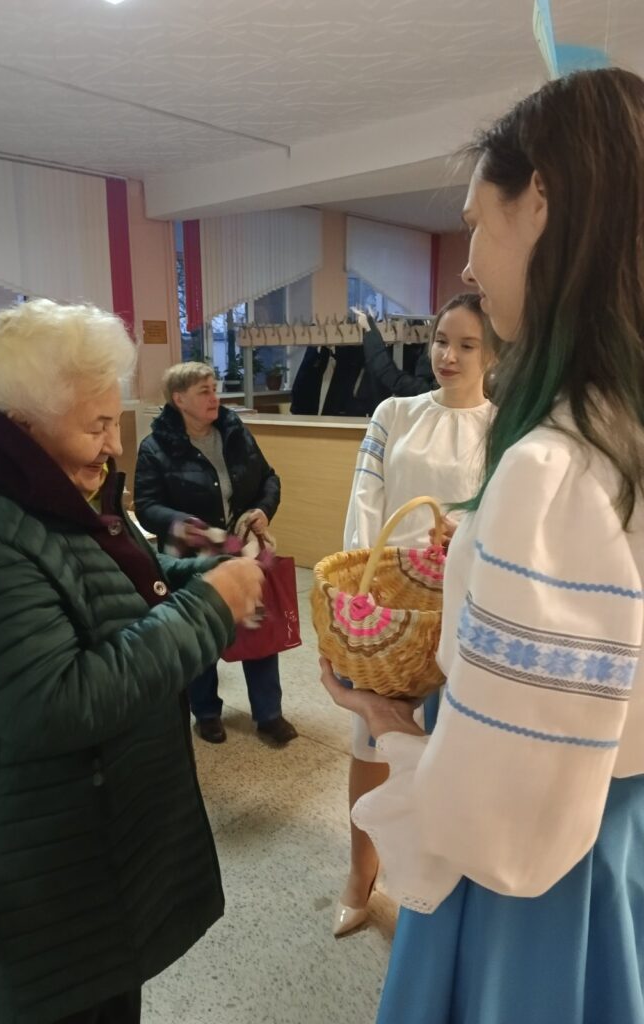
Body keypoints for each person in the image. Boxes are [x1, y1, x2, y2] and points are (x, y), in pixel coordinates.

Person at [322, 68, 644, 1024]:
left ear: (539, 200)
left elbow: (493, 821)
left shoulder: (554, 468)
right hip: (616, 834)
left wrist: (387, 719)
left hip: (538, 883)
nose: (466, 262)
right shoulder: (614, 433)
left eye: (475, 222)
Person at [0, 300, 265, 1024]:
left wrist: (195, 574)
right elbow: (55, 700)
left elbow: (103, 586)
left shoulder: (43, 489)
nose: (113, 446)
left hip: (83, 850)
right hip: (32, 878)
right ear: (26, 422)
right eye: (96, 426)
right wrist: (207, 609)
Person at [333, 293, 493, 936]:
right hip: (388, 609)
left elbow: (501, 520)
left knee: (448, 749)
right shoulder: (394, 413)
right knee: (372, 742)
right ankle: (359, 871)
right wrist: (359, 592)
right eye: (441, 341)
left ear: (492, 354)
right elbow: (364, 501)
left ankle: (435, 880)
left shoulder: (505, 428)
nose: (447, 356)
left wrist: (468, 533)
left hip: (462, 608)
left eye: (466, 344)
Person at [134, 361, 298, 745]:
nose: (215, 398)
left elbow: (268, 478)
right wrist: (183, 523)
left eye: (215, 388)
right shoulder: (156, 447)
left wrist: (263, 509)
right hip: (192, 557)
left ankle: (269, 714)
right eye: (204, 391)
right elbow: (146, 505)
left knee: (258, 627)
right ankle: (206, 712)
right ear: (179, 399)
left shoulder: (235, 433)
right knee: (202, 632)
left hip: (242, 550)